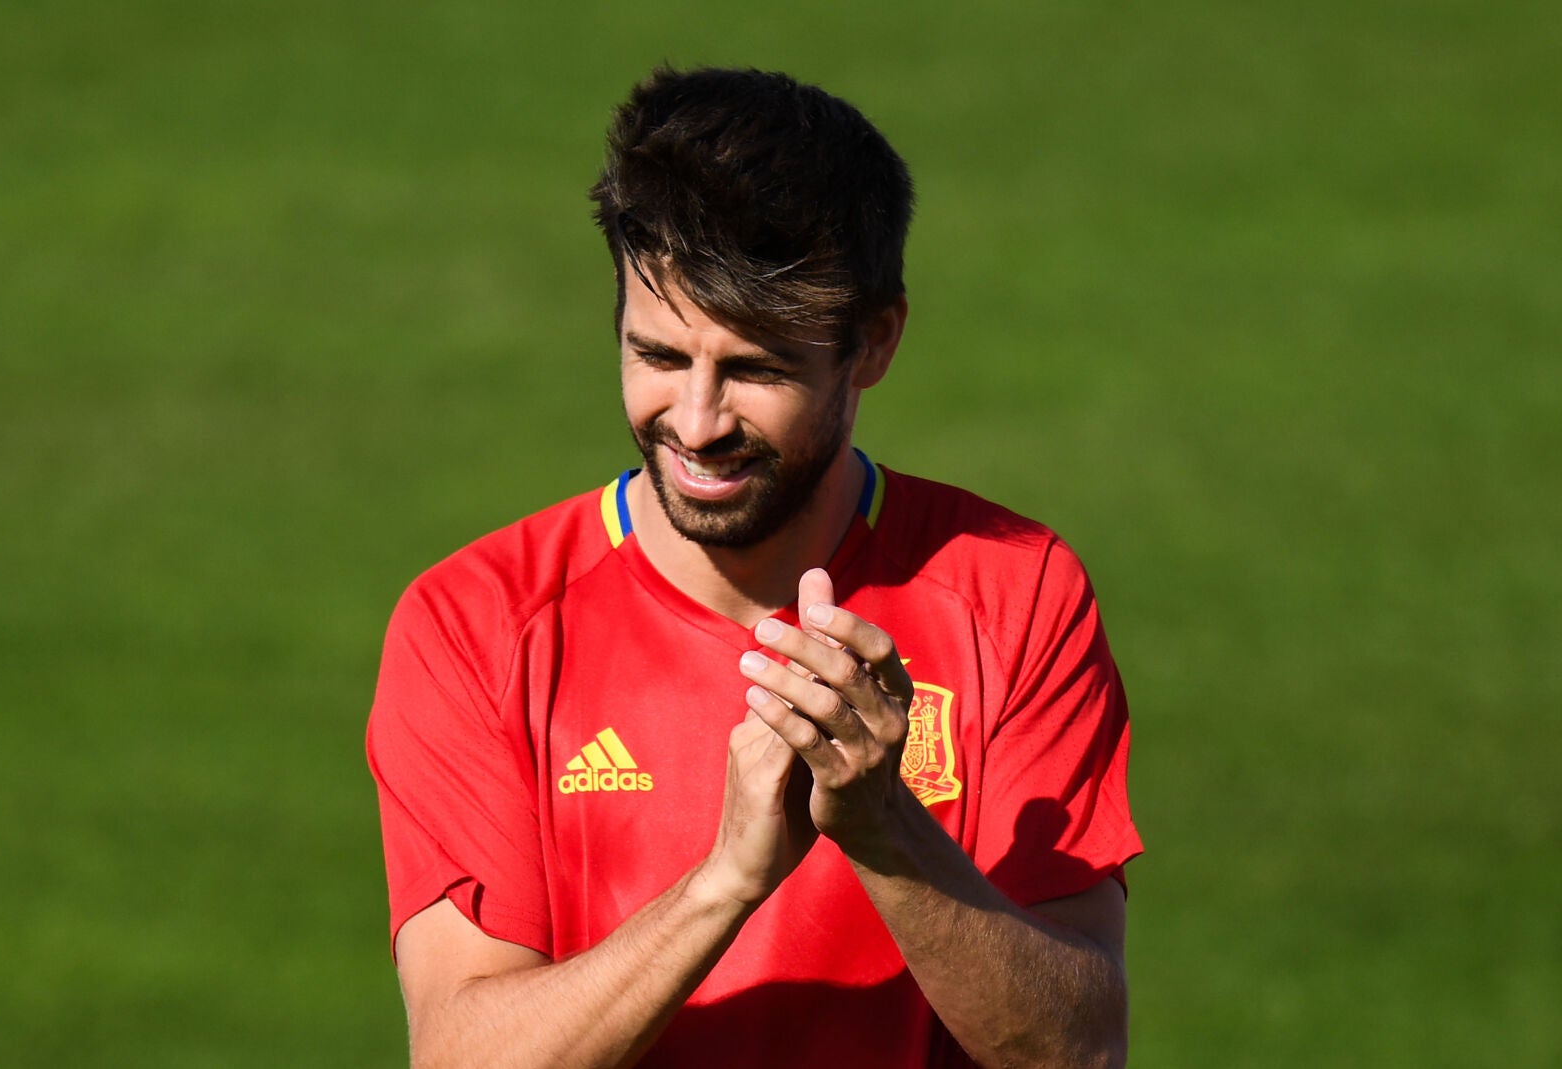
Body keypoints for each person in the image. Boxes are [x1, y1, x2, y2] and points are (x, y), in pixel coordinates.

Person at [367, 66, 1141, 1069]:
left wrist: (881, 828)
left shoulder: (1016, 593)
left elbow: (1077, 1052)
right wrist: (727, 880)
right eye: (657, 357)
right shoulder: (475, 623)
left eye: (754, 370)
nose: (694, 423)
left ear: (873, 344)